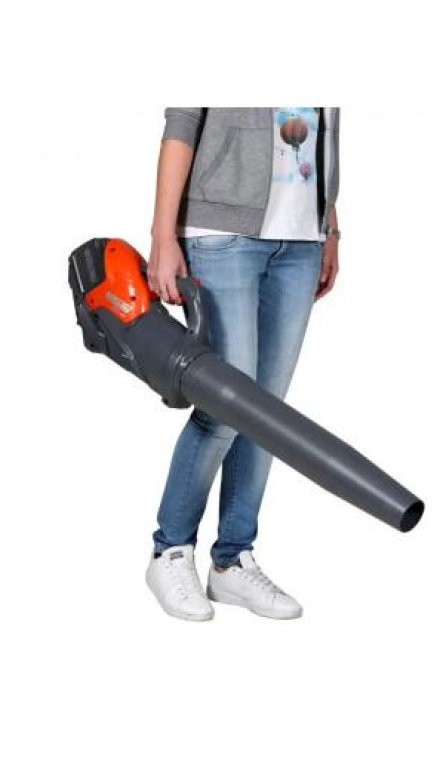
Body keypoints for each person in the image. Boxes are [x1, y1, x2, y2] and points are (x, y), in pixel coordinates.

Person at [144, 107, 341, 621]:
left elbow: (322, 128)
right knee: (223, 408)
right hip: (220, 232)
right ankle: (170, 550)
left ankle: (231, 561)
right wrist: (163, 234)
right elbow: (183, 120)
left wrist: (329, 226)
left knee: (267, 414)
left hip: (302, 239)